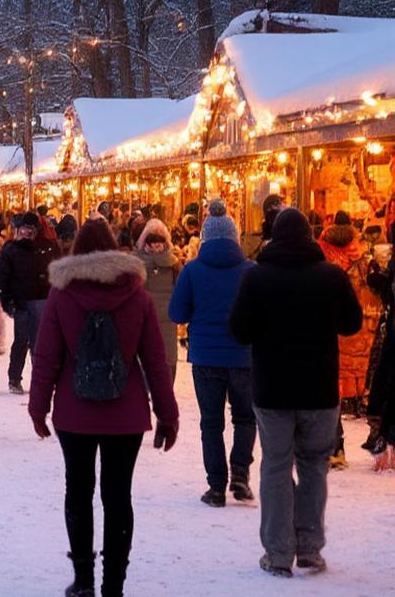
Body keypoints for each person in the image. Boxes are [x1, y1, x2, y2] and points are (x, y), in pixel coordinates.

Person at [28, 219, 179, 597]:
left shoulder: (62, 296)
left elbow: (46, 356)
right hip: (125, 414)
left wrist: (38, 406)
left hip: (73, 412)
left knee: (77, 490)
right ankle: (114, 584)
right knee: (118, 496)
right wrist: (167, 413)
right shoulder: (137, 295)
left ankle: (83, 580)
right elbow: (155, 361)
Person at [229, 207, 362, 577]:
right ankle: (310, 549)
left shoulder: (257, 279)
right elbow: (351, 324)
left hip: (272, 389)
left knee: (275, 465)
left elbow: (238, 330)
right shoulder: (332, 277)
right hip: (319, 389)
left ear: (272, 236)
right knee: (314, 467)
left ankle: (277, 553)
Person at [168, 200, 257, 507]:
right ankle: (241, 475)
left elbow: (177, 313)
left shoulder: (192, 271)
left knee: (211, 421)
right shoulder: (251, 271)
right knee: (245, 417)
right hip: (244, 356)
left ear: (204, 239)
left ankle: (216, 487)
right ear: (235, 238)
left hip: (205, 356)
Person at [318, 210, 382, 468]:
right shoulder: (364, 256)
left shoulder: (322, 253)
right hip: (357, 327)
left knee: (328, 390)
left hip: (327, 328)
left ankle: (334, 447)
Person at [0, 211, 60, 394]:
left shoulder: (48, 246)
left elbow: (58, 268)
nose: (27, 232)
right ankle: (15, 379)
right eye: (24, 229)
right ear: (18, 229)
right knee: (21, 341)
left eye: (31, 229)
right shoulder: (11, 250)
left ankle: (41, 380)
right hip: (21, 301)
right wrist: (6, 300)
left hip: (42, 300)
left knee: (40, 343)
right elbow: (0, 277)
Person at [132, 218, 181, 381]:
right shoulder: (174, 264)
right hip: (168, 320)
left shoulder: (136, 264)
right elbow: (180, 292)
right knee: (167, 363)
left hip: (143, 320)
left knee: (143, 364)